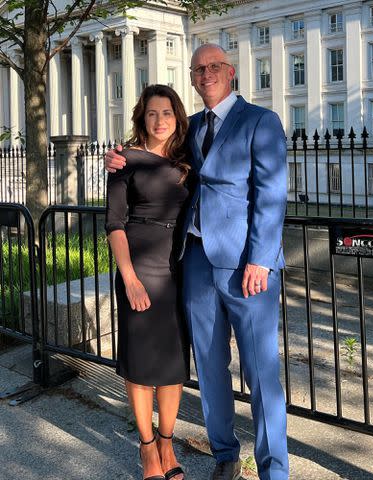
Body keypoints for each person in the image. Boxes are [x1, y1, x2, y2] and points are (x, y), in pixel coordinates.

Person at [106, 44, 289, 480]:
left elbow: (272, 194)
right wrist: (119, 157)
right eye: (198, 69)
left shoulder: (261, 121)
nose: (206, 74)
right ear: (192, 78)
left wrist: (261, 260)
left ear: (230, 72)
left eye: (214, 67)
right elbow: (157, 157)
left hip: (249, 265)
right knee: (208, 367)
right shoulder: (192, 129)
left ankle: (274, 470)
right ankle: (225, 454)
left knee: (261, 372)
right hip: (195, 263)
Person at [105, 84, 190, 480]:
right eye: (152, 113)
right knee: (140, 365)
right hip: (137, 265)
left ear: (177, 117)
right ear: (142, 116)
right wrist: (130, 279)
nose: (160, 121)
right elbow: (114, 224)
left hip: (176, 268)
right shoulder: (124, 159)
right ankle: (147, 450)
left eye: (167, 113)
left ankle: (168, 442)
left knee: (172, 364)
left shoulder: (186, 159)